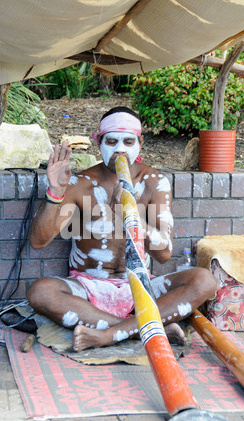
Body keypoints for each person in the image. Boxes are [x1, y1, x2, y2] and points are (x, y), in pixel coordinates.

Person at [27, 106, 217, 352]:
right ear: (98, 142)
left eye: (128, 141)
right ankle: (141, 330)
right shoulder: (79, 184)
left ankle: (107, 335)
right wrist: (55, 191)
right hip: (88, 286)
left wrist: (132, 215)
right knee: (40, 292)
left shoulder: (154, 183)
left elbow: (164, 253)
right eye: (111, 141)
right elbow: (38, 241)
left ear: (141, 143)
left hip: (140, 284)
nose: (120, 149)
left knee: (204, 281)